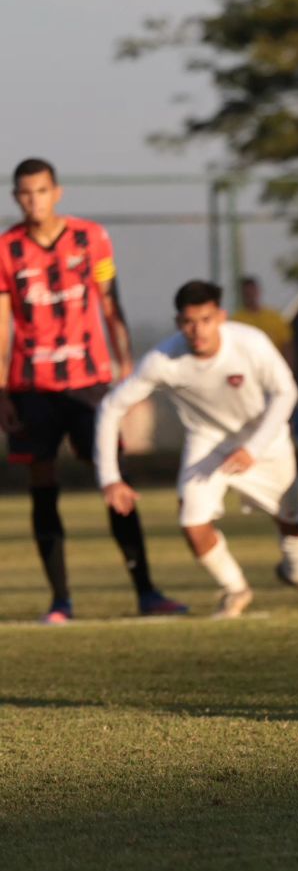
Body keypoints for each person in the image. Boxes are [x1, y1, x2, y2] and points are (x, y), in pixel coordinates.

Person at [0, 158, 186, 623]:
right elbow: (1, 320)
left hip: (88, 384)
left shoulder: (92, 238)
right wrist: (0, 387)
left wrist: (126, 372)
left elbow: (110, 304)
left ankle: (146, 591)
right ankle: (60, 600)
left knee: (112, 476)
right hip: (31, 385)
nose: (32, 200)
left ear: (56, 192)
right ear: (15, 197)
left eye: (40, 191)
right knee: (42, 484)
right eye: (24, 193)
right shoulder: (6, 249)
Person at [95, 281, 298, 618]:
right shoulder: (163, 359)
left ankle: (296, 572)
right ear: (179, 322)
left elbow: (285, 393)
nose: (197, 331)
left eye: (206, 320)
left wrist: (253, 448)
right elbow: (111, 407)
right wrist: (110, 476)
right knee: (192, 521)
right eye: (188, 322)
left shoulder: (250, 343)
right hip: (207, 442)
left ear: (220, 317)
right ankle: (235, 589)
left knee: (291, 521)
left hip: (265, 440)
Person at [230, 276, 295, 369]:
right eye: (246, 293)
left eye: (252, 291)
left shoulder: (274, 317)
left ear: (258, 292)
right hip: (249, 370)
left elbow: (287, 344)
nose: (250, 296)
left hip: (273, 367)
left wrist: (289, 369)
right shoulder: (237, 320)